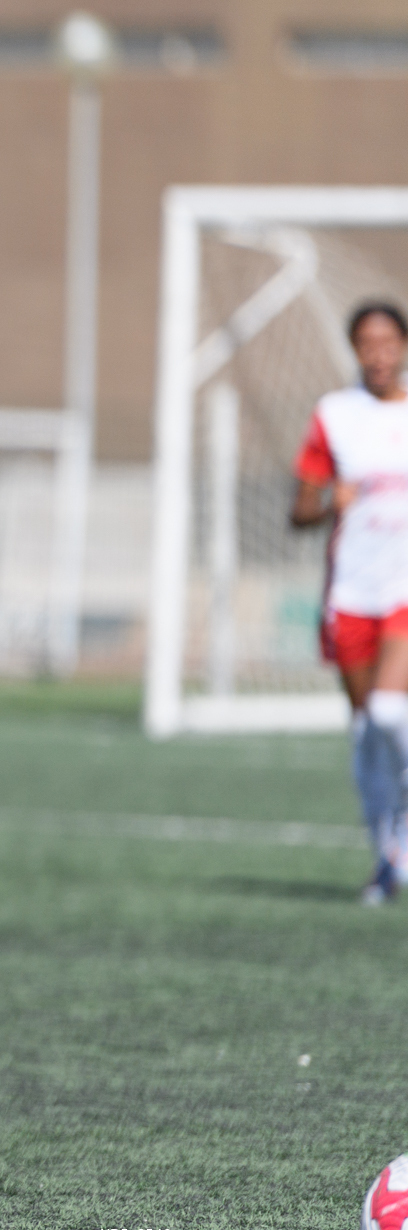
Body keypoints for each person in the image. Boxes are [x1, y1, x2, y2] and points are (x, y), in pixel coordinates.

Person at [291, 300, 408, 905]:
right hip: (351, 593)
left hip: (404, 593)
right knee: (367, 733)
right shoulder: (335, 417)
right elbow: (299, 510)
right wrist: (328, 502)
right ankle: (385, 859)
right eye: (367, 342)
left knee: (392, 713)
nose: (378, 353)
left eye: (389, 341)